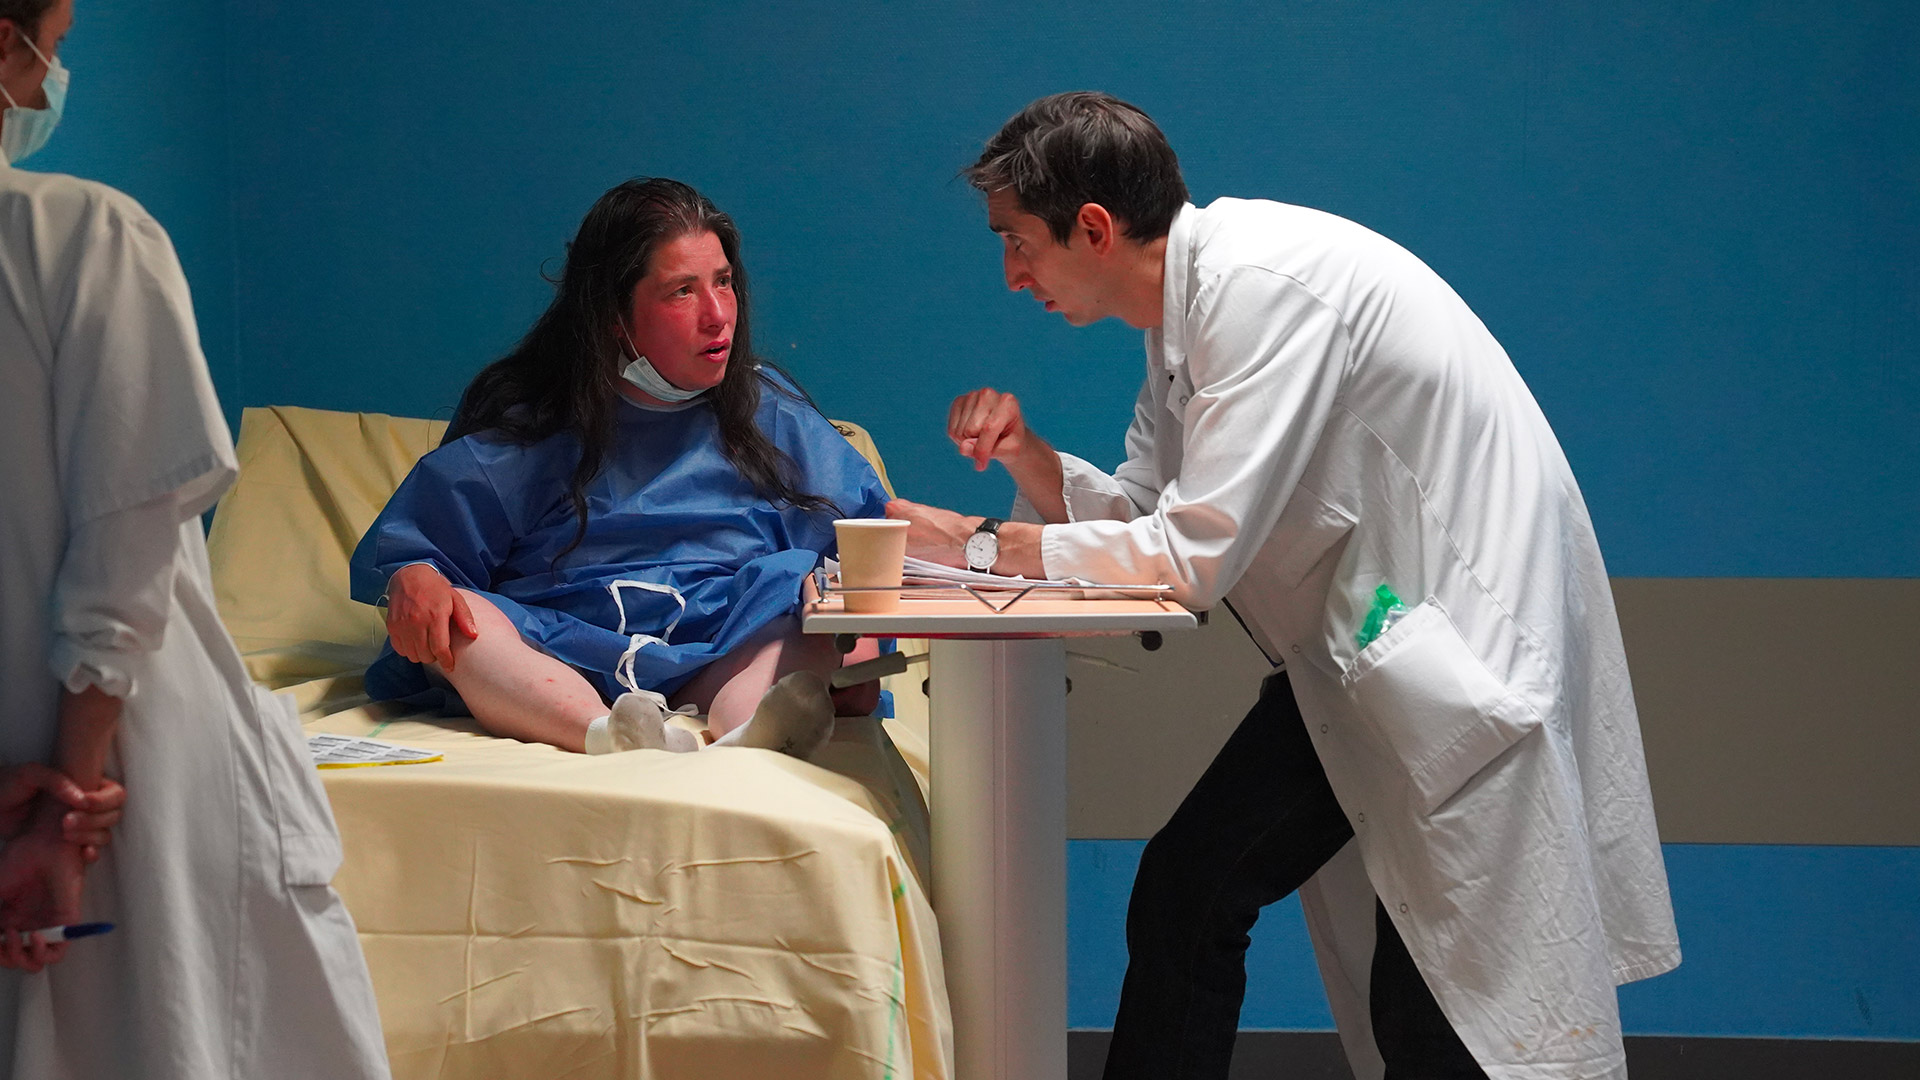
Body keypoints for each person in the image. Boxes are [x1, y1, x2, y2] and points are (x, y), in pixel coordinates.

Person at [889, 92, 1680, 1079]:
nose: (1011, 275)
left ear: (1092, 228)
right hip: (1367, 666)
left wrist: (977, 545)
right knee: (1189, 889)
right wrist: (1031, 461)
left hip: (1457, 671)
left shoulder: (1260, 293)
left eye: (1017, 243)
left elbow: (1188, 559)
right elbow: (1153, 513)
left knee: (1434, 1014)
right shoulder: (1188, 320)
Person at [0, 1, 391, 1075]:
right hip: (115, 780)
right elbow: (122, 556)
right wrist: (70, 806)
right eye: (53, 47)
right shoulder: (83, 239)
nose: (51, 80)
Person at [351, 178, 893, 761]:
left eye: (723, 282)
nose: (718, 315)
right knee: (465, 621)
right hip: (559, 652)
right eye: (682, 291)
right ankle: (604, 733)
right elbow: (423, 552)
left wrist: (855, 642)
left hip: (723, 647)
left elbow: (867, 549)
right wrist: (416, 579)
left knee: (804, 617)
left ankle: (748, 734)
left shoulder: (770, 414)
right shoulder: (531, 422)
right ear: (613, 314)